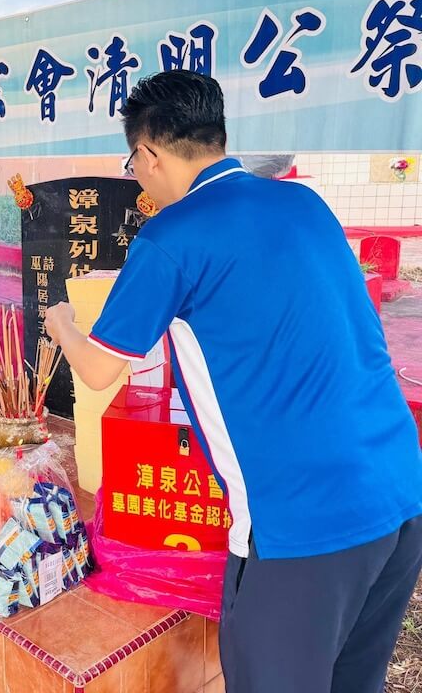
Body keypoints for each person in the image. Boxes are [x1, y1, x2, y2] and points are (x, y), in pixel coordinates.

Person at [44, 70, 422, 693]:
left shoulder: (171, 237)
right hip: (399, 492)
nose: (137, 178)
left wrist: (62, 325)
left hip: (301, 525)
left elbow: (99, 369)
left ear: (150, 154)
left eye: (133, 163)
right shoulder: (305, 204)